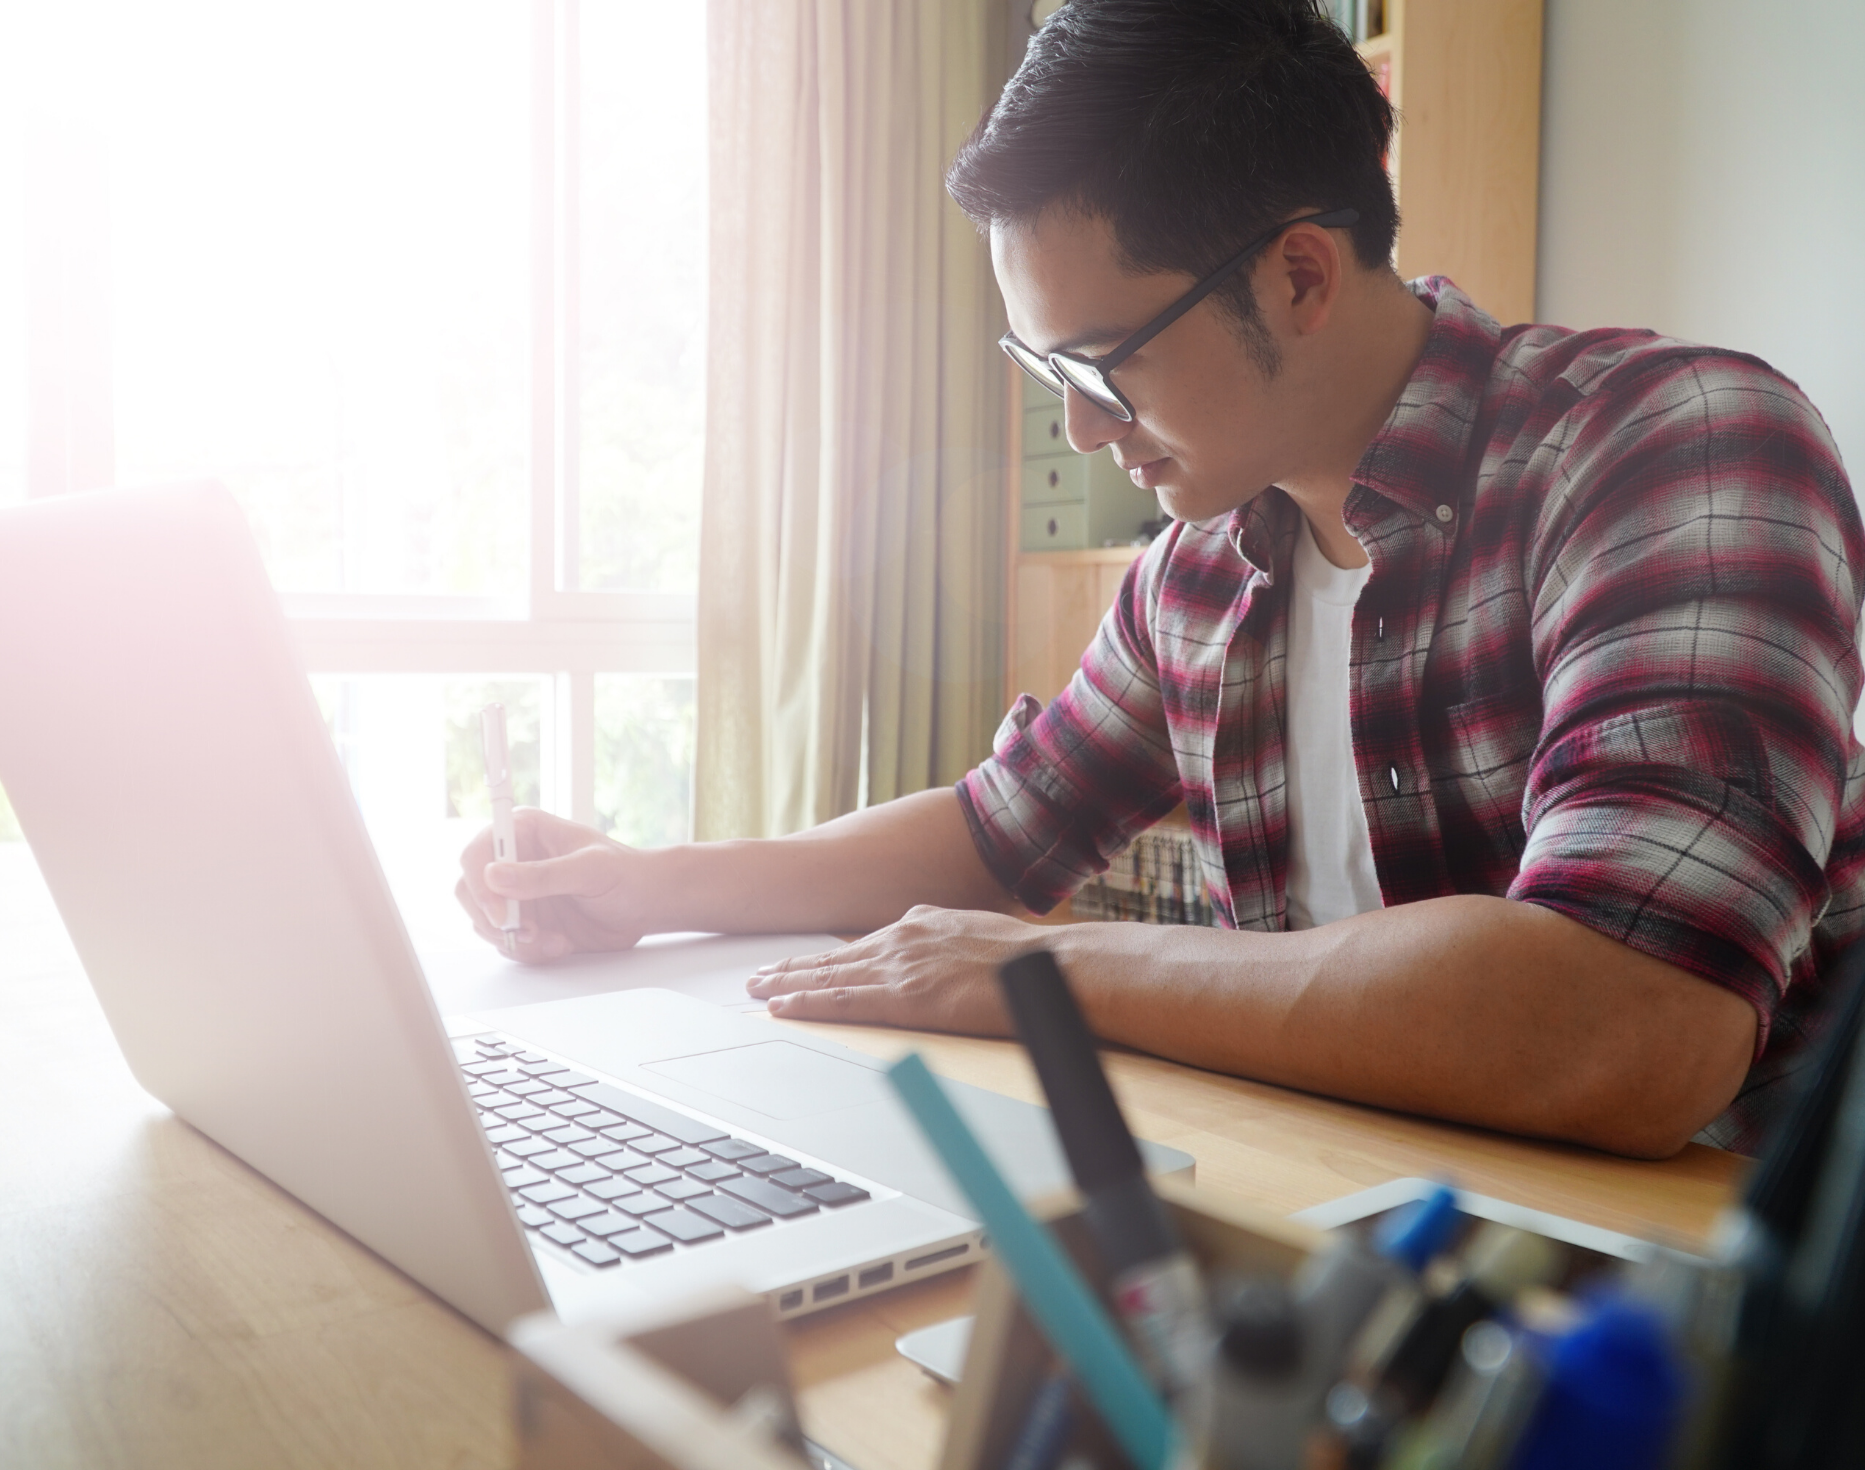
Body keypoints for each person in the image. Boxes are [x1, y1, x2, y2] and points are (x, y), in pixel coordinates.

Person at [455, 0, 1864, 1159]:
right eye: (1042, 366)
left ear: (1299, 277)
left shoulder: (1676, 446)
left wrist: (1045, 972)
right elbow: (997, 830)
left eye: (1099, 363)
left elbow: (1634, 1024)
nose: (1078, 429)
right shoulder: (1199, 570)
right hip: (1365, 1219)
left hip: (1720, 1291)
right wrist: (643, 882)